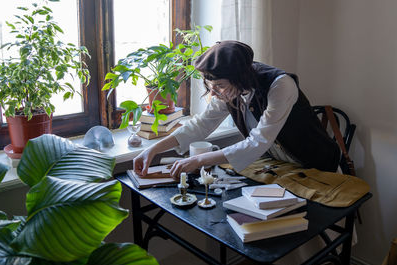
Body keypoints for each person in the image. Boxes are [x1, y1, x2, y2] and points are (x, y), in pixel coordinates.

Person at [133, 40, 340, 178]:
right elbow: (200, 125)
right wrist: (152, 149)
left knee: (321, 233)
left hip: (315, 163)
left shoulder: (280, 85)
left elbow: (258, 141)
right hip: (280, 166)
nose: (214, 94)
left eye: (220, 86)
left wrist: (198, 159)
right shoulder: (228, 90)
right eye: (210, 87)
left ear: (240, 78)